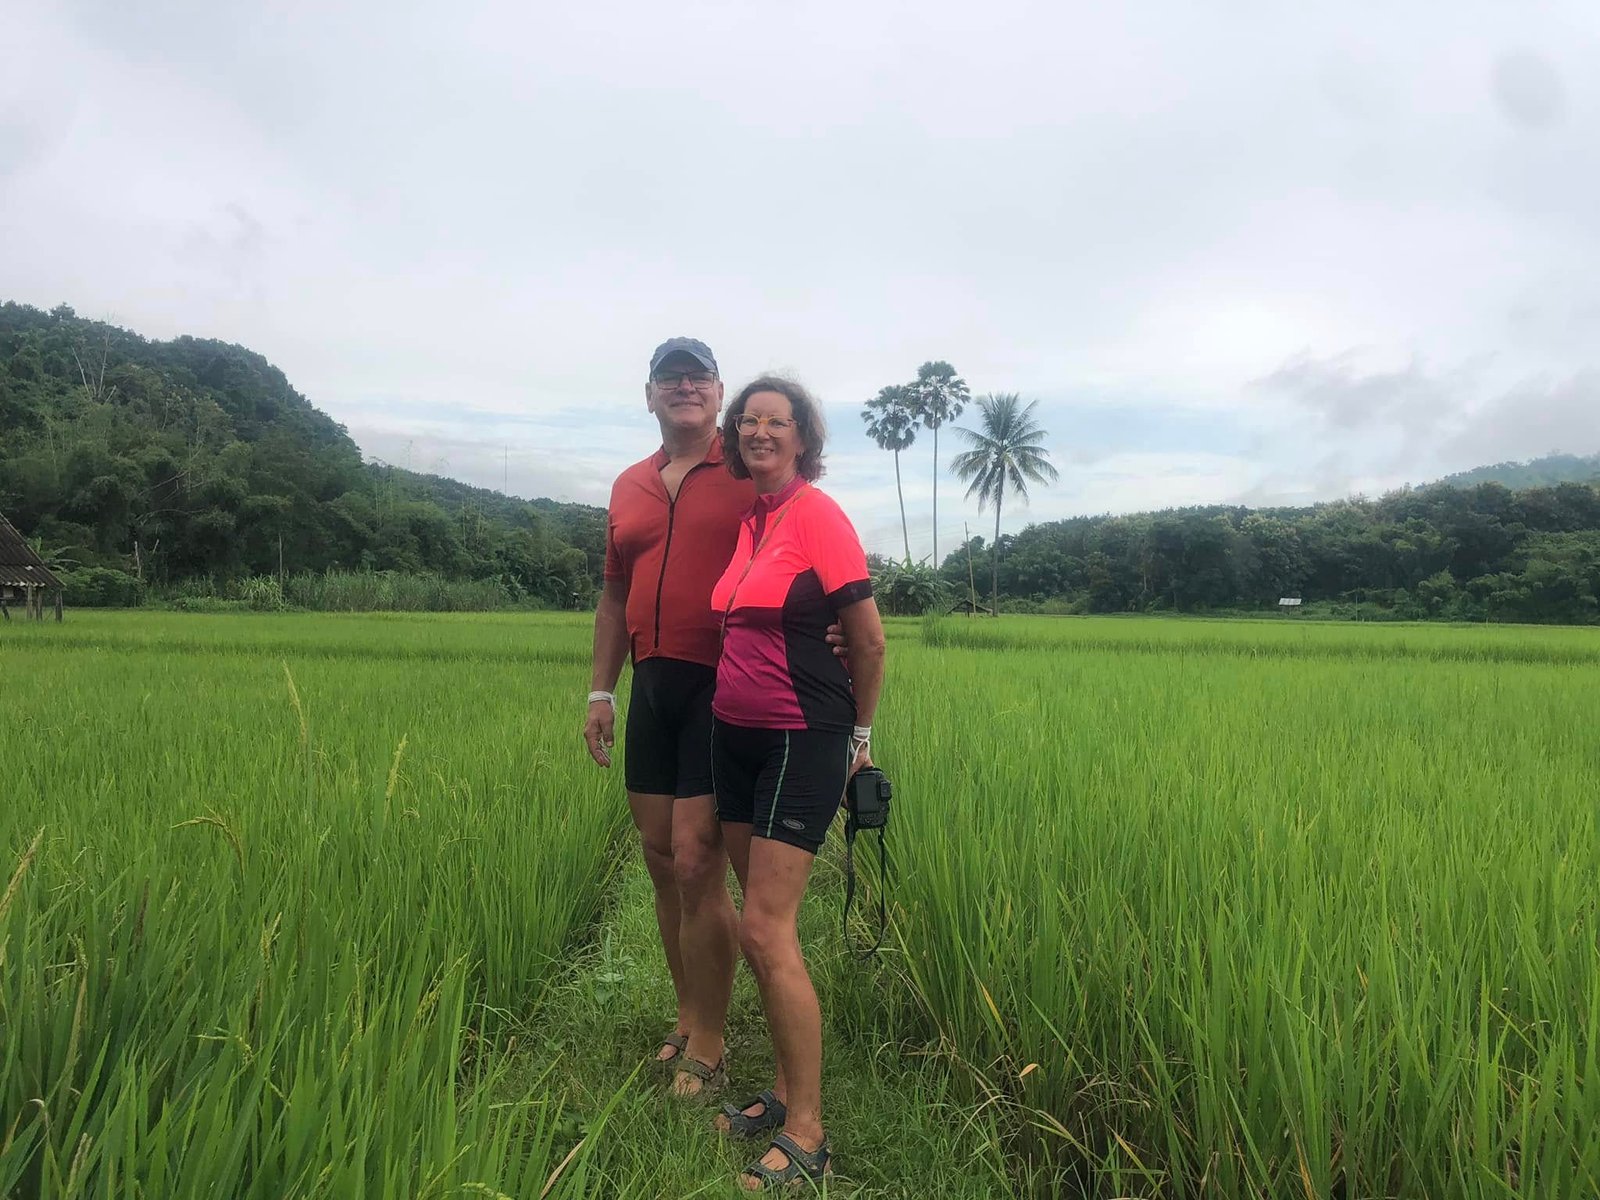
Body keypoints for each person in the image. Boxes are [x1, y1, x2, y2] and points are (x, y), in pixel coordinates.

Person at [707, 376, 887, 1190]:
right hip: (734, 737)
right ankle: (782, 1093)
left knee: (766, 931)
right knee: (759, 926)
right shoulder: (754, 519)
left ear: (803, 437)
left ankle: (810, 1134)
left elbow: (870, 641)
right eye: (748, 421)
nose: (760, 432)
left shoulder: (818, 514)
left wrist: (859, 741)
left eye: (777, 422)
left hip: (797, 738)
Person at [583, 337, 748, 1099]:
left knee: (695, 860)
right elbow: (615, 595)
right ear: (648, 396)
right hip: (652, 686)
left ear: (719, 396)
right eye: (669, 378)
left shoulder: (750, 475)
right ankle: (687, 1012)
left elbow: (805, 554)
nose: (684, 387)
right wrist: (601, 692)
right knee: (657, 857)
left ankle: (710, 1042)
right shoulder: (627, 486)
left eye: (698, 377)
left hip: (724, 684)